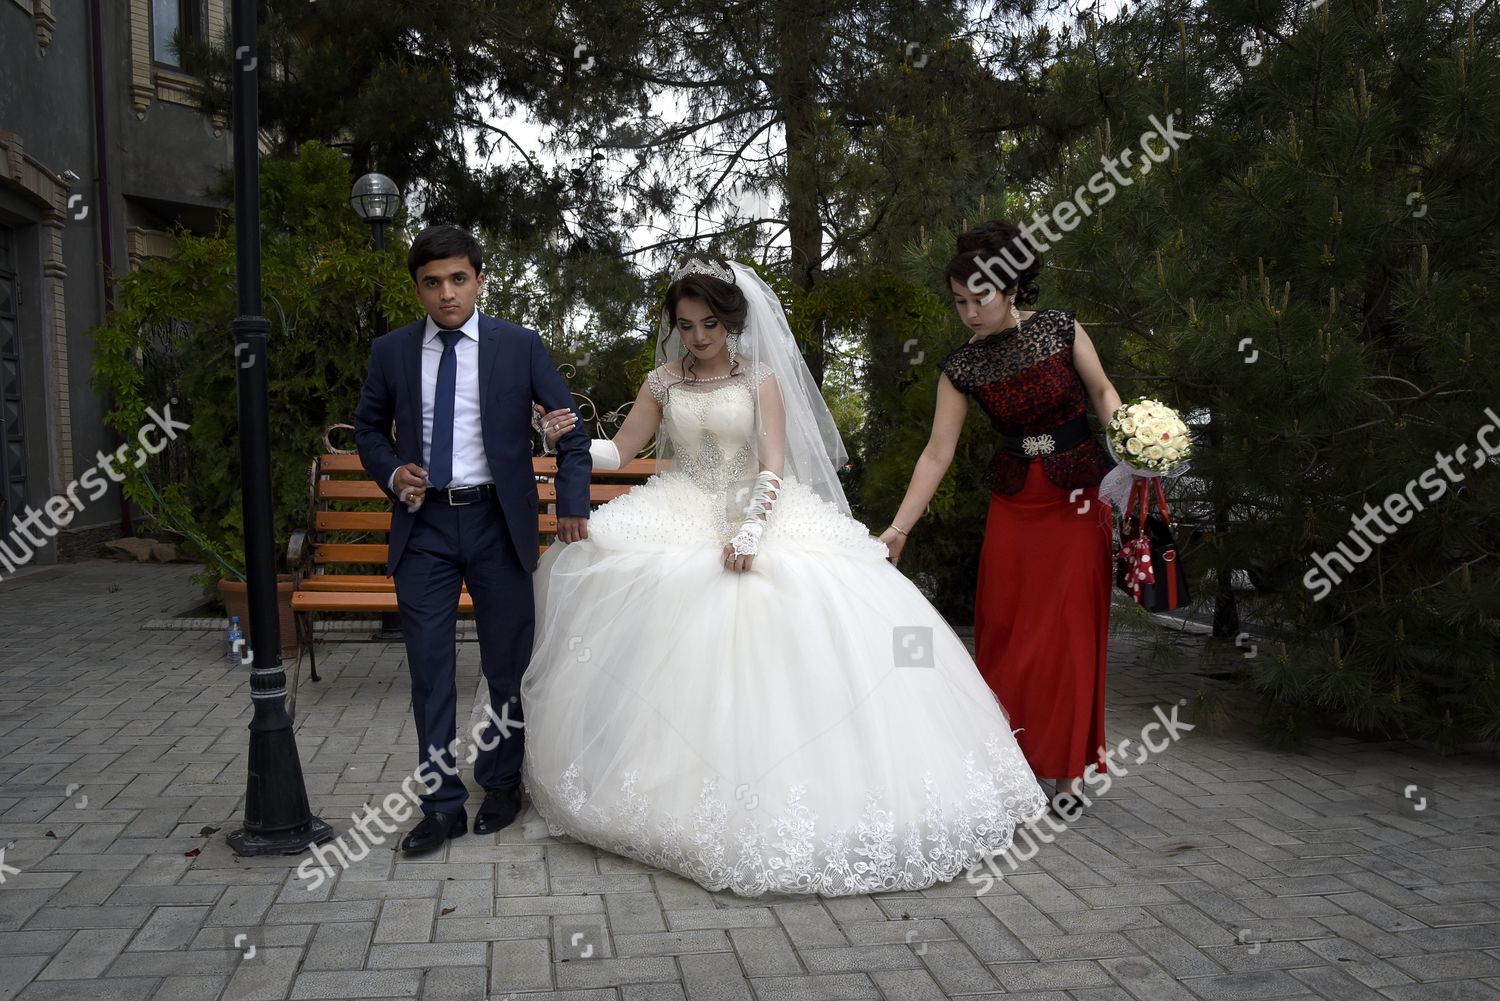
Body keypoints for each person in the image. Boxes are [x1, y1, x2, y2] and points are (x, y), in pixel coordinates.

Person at [523, 254, 1047, 897]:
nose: (697, 337)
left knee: (808, 606)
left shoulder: (761, 379)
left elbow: (773, 463)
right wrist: (565, 437)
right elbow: (621, 450)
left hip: (756, 508)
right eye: (685, 325)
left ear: (734, 323)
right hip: (682, 508)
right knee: (613, 576)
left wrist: (748, 529)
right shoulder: (663, 382)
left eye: (710, 324)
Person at [354, 225, 591, 855]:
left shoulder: (519, 347)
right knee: (430, 670)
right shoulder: (393, 352)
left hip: (497, 524)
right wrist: (391, 471)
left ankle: (503, 783)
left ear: (479, 280)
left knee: (506, 667)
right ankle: (440, 805)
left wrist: (571, 505)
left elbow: (569, 430)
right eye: (432, 283)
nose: (446, 293)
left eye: (458, 279)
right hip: (424, 526)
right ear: (417, 290)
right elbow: (369, 432)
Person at [879, 221, 1122, 808]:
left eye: (980, 297)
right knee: (1007, 635)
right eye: (959, 301)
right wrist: (898, 528)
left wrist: (1137, 445)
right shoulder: (961, 369)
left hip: (1079, 500)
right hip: (1015, 507)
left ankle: (1066, 774)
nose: (969, 312)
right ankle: (1009, 767)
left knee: (1067, 635)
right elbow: (936, 454)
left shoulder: (1061, 328)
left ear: (1011, 288)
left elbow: (1105, 394)